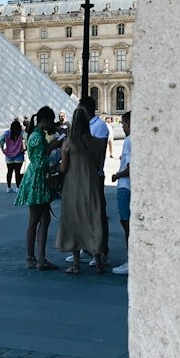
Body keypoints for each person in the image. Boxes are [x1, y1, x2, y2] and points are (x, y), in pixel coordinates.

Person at [56, 105, 107, 273]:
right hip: (91, 183)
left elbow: (63, 168)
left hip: (73, 185)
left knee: (73, 221)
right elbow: (100, 164)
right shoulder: (96, 143)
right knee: (93, 220)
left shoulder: (68, 143)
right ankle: (98, 261)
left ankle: (76, 264)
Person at [14, 105, 58, 270]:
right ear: (44, 120)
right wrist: (54, 163)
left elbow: (40, 155)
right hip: (38, 180)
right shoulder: (37, 137)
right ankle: (33, 258)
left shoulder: (36, 135)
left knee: (44, 219)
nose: (52, 124)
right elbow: (40, 162)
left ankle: (39, 258)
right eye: (51, 121)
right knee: (34, 220)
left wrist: (51, 146)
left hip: (36, 179)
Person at [79, 94, 111, 266]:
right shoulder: (86, 126)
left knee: (98, 214)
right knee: (86, 212)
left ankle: (101, 250)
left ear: (84, 110)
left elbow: (98, 153)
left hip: (95, 175)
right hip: (84, 175)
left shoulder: (99, 126)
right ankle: (87, 247)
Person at [111, 110, 131, 275]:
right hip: (130, 187)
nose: (122, 126)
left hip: (125, 186)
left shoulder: (129, 141)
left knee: (127, 225)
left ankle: (130, 260)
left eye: (123, 123)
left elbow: (131, 167)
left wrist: (117, 174)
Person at [0, 119, 26, 192]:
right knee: (17, 172)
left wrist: (2, 149)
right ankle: (18, 187)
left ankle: (9, 187)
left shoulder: (6, 133)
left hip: (8, 155)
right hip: (19, 154)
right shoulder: (21, 134)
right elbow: (27, 139)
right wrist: (25, 148)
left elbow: (1, 140)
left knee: (9, 171)